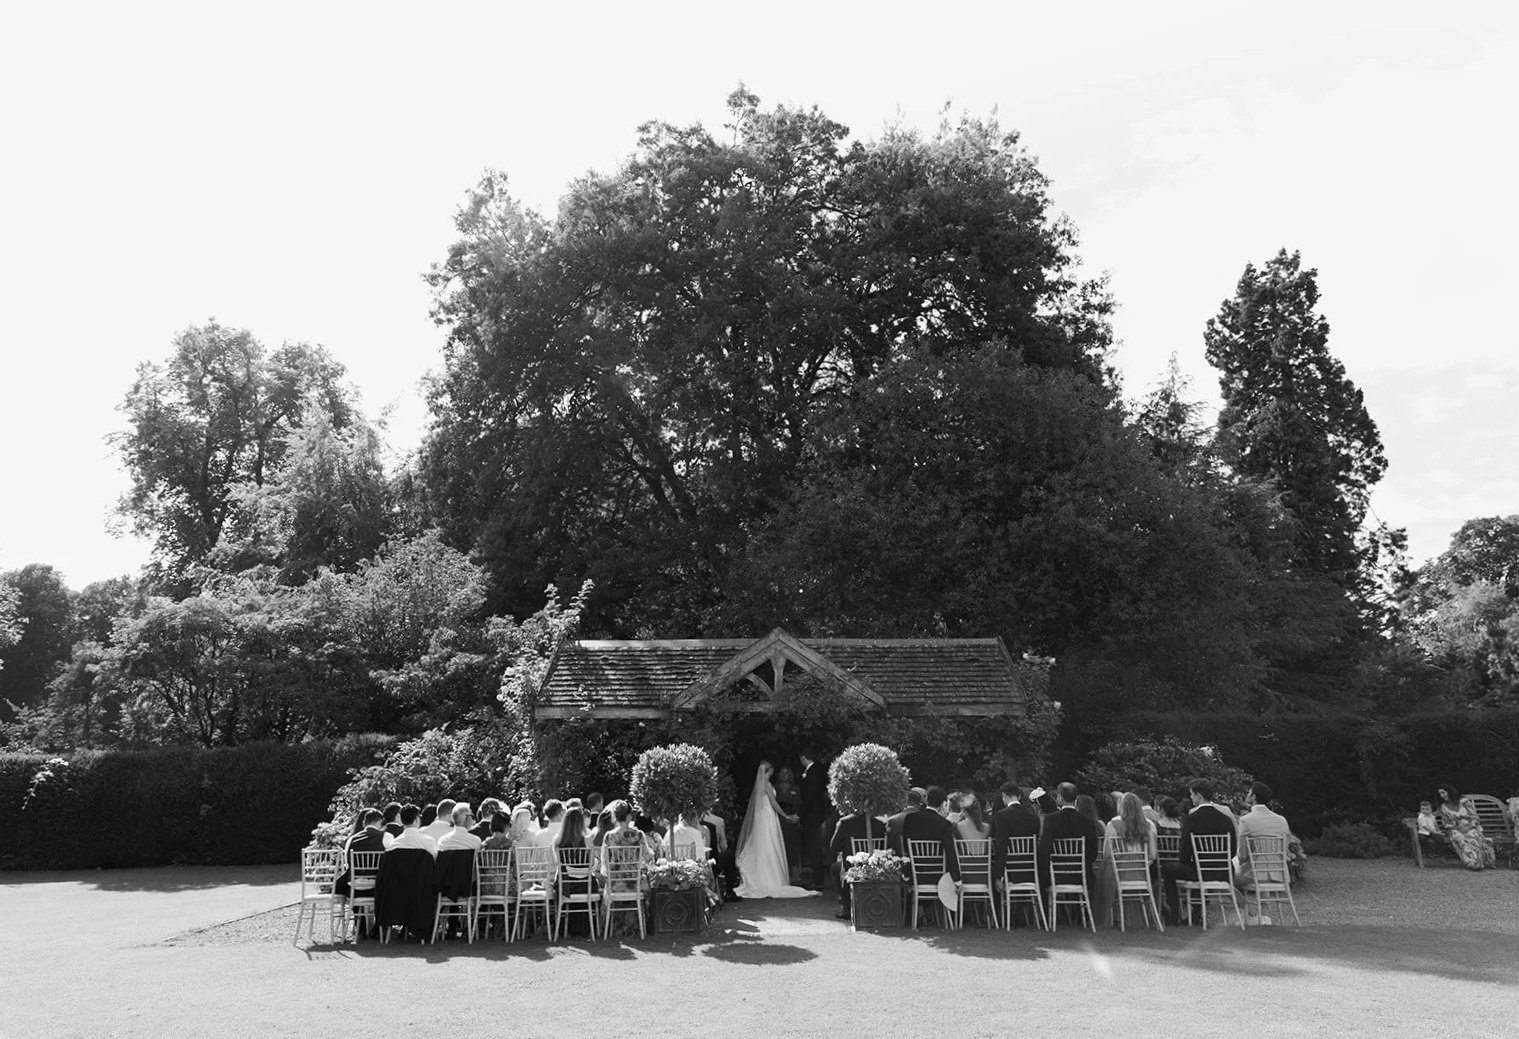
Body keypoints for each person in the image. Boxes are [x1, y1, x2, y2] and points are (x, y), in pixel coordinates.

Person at [735, 761, 819, 898]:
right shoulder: (767, 785)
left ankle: (761, 876)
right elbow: (773, 803)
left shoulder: (760, 785)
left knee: (763, 845)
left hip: (762, 816)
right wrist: (785, 815)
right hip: (768, 816)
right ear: (770, 770)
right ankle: (771, 877)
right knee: (770, 844)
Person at [1161, 779, 1238, 922]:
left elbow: (1184, 853)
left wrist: (1188, 860)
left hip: (1200, 871)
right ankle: (1196, 915)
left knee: (1169, 869)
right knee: (1195, 866)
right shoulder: (1226, 820)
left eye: (1192, 794)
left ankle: (1174, 915)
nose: (1191, 797)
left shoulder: (1191, 820)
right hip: (1224, 871)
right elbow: (1233, 851)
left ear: (1199, 795)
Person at [886, 787, 962, 882]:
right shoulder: (945, 824)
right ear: (942, 804)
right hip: (938, 874)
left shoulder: (910, 819)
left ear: (926, 800)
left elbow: (906, 846)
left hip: (915, 873)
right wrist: (956, 879)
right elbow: (950, 851)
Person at [1037, 783, 1101, 890]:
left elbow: (1044, 850)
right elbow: (1093, 851)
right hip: (1082, 876)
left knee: (1040, 877)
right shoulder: (1087, 822)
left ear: (1060, 798)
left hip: (1056, 875)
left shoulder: (1051, 820)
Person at [1234, 782, 1291, 888]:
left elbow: (1242, 856)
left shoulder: (1246, 820)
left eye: (1249, 793)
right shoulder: (1281, 820)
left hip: (1255, 875)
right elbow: (1285, 850)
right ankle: (1263, 904)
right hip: (1280, 874)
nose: (1247, 795)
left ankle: (1239, 904)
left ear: (1254, 797)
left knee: (1226, 875)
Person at [1436, 784, 1495, 870]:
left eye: (1443, 792)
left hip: (1470, 826)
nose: (1442, 795)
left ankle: (1479, 861)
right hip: (1455, 829)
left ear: (1449, 792)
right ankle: (1472, 863)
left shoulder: (1464, 802)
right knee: (1460, 838)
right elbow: (1446, 823)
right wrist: (1456, 829)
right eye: (1440, 794)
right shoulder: (1443, 807)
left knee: (1473, 836)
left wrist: (1469, 827)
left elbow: (1475, 817)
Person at [797, 750, 831, 891]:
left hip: (812, 816)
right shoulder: (817, 771)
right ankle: (817, 879)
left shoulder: (812, 773)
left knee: (813, 848)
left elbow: (809, 797)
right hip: (815, 815)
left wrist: (800, 814)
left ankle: (818, 880)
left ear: (804, 758)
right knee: (813, 848)